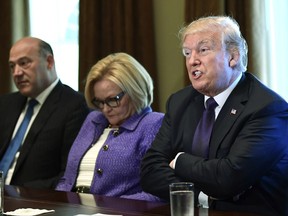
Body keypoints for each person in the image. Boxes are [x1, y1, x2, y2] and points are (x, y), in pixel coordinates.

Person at [140, 16, 288, 216]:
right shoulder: (180, 101)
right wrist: (202, 196)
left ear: (232, 56)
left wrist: (180, 161)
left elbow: (229, 177)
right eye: (187, 53)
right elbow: (150, 171)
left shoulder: (268, 108)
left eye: (203, 50)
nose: (192, 61)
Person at [56, 52, 164, 201]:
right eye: (99, 102)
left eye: (112, 100)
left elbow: (159, 192)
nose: (105, 109)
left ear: (134, 90)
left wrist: (112, 207)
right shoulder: (93, 119)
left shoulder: (153, 124)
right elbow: (66, 179)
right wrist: (56, 204)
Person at [0, 37, 89, 189]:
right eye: (12, 66)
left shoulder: (75, 106)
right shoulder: (6, 103)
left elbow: (68, 176)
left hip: (30, 202)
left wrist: (15, 193)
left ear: (49, 62)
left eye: (24, 63)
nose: (16, 73)